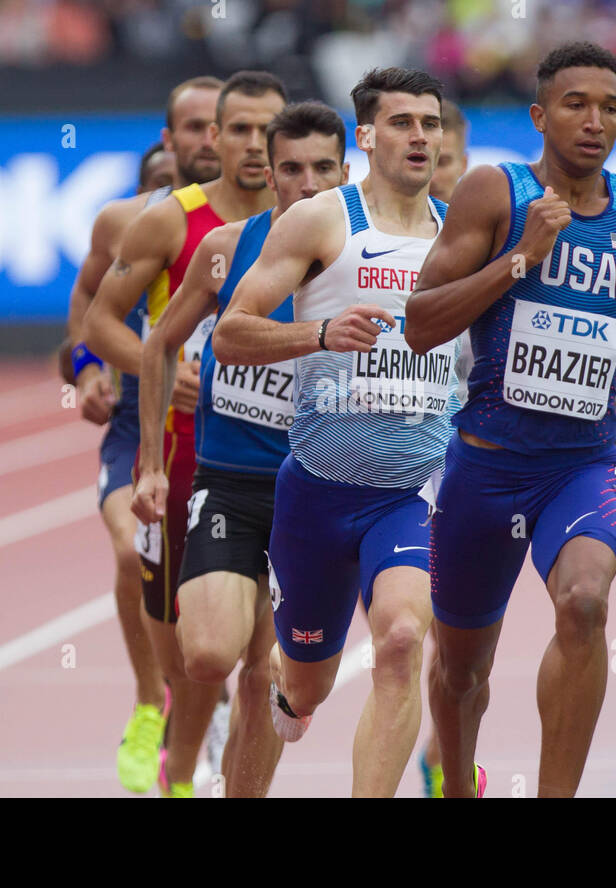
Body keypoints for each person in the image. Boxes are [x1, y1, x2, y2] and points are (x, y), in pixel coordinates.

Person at [405, 41, 616, 798]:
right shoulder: (496, 193)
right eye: (576, 104)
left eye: (611, 107)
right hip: (485, 468)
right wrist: (522, 257)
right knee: (459, 670)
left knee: (585, 604)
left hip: (579, 465)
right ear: (539, 114)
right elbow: (420, 322)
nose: (595, 121)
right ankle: (456, 786)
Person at [213, 67, 464, 797]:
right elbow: (231, 334)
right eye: (402, 122)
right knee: (308, 683)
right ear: (366, 137)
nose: (419, 136)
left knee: (401, 639)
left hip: (409, 492)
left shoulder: (460, 237)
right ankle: (290, 697)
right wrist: (321, 333)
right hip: (317, 492)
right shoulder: (323, 220)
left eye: (431, 122)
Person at [132, 101, 350, 797]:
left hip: (315, 489)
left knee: (268, 675)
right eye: (292, 169)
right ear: (271, 175)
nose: (308, 185)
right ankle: (182, 755)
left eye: (322, 168)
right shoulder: (227, 247)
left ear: (346, 171)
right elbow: (161, 342)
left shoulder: (370, 261)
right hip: (229, 484)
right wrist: (152, 463)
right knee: (206, 655)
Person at [83, 70, 287, 797]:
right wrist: (161, 370)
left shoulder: (316, 223)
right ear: (214, 137)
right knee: (191, 660)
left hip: (282, 462)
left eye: (270, 130)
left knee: (267, 663)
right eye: (236, 130)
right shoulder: (174, 220)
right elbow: (100, 319)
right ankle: (178, 763)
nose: (254, 146)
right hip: (180, 460)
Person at [59, 75, 222, 794]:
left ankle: (202, 713)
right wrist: (92, 370)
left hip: (241, 436)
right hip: (142, 426)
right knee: (134, 549)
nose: (210, 140)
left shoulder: (281, 222)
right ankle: (149, 703)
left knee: (222, 615)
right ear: (169, 138)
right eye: (194, 127)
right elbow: (85, 315)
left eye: (226, 125)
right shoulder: (126, 222)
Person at [419, 97, 470, 797]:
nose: (435, 171)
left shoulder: (486, 237)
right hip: (375, 447)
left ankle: (440, 759)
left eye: (448, 159)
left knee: (441, 631)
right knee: (409, 626)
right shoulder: (359, 233)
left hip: (461, 448)